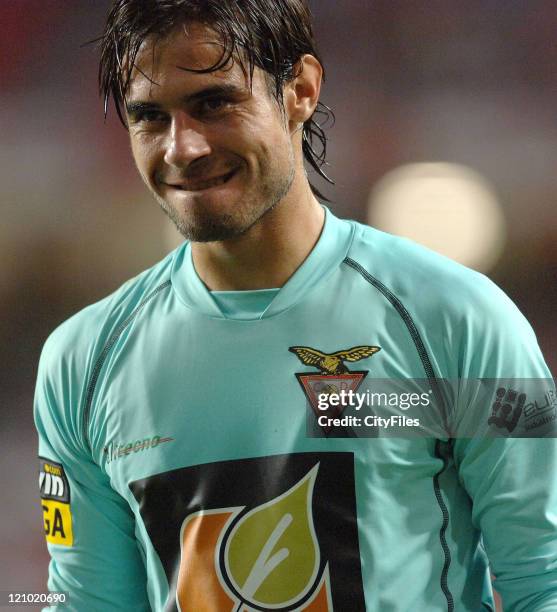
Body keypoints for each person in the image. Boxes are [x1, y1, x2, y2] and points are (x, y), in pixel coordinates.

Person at [34, 1, 557, 610]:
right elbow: (88, 602)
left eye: (214, 103)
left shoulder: (463, 319)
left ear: (301, 90)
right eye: (150, 117)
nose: (183, 147)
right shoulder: (80, 361)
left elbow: (544, 579)